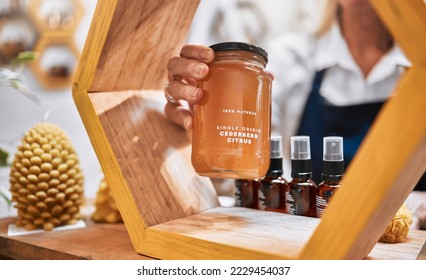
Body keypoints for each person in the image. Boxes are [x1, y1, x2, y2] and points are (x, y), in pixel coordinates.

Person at [163, 0, 425, 229]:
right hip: (305, 238)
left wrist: (411, 204)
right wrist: (202, 129)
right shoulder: (288, 60)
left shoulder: (420, 69)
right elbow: (245, 175)